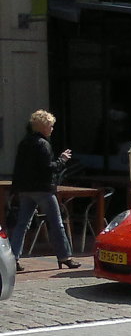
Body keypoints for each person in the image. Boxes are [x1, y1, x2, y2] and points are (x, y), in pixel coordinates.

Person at [9, 109, 79, 271]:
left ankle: (13, 258)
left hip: (25, 189)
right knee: (56, 223)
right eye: (51, 126)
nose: (52, 129)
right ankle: (65, 256)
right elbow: (48, 168)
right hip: (42, 189)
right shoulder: (43, 144)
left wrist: (16, 188)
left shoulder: (25, 142)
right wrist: (62, 160)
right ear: (45, 126)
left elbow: (18, 167)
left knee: (22, 224)